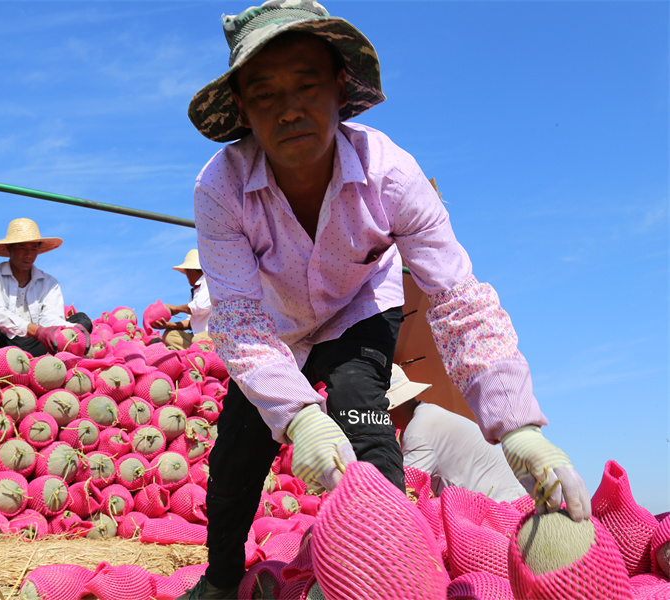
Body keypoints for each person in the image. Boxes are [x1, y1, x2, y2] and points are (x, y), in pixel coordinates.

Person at [180, 2, 591, 597]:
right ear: (241, 108)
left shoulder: (390, 175)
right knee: (236, 459)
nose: (289, 108)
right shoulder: (220, 189)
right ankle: (219, 583)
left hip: (358, 308)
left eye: (307, 84)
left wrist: (517, 426)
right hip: (271, 329)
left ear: (340, 88)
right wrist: (296, 419)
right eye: (264, 93)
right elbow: (240, 321)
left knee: (362, 411)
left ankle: (383, 568)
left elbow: (457, 300)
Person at [386, 364, 527, 503]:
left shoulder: (418, 430)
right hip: (508, 500)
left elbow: (404, 490)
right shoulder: (427, 416)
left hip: (502, 508)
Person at [0, 218, 92, 357]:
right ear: (9, 248)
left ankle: (46, 361)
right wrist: (36, 331)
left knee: (82, 321)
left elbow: (50, 318)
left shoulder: (49, 283)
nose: (28, 254)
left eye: (34, 248)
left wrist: (72, 329)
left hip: (35, 345)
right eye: (22, 247)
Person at [153, 249, 213, 349]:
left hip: (212, 335)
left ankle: (203, 351)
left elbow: (198, 307)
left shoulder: (208, 284)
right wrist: (168, 325)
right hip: (198, 337)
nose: (186, 275)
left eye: (186, 272)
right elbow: (191, 323)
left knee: (198, 340)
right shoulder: (194, 292)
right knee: (169, 335)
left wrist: (176, 309)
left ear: (191, 271)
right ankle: (195, 352)